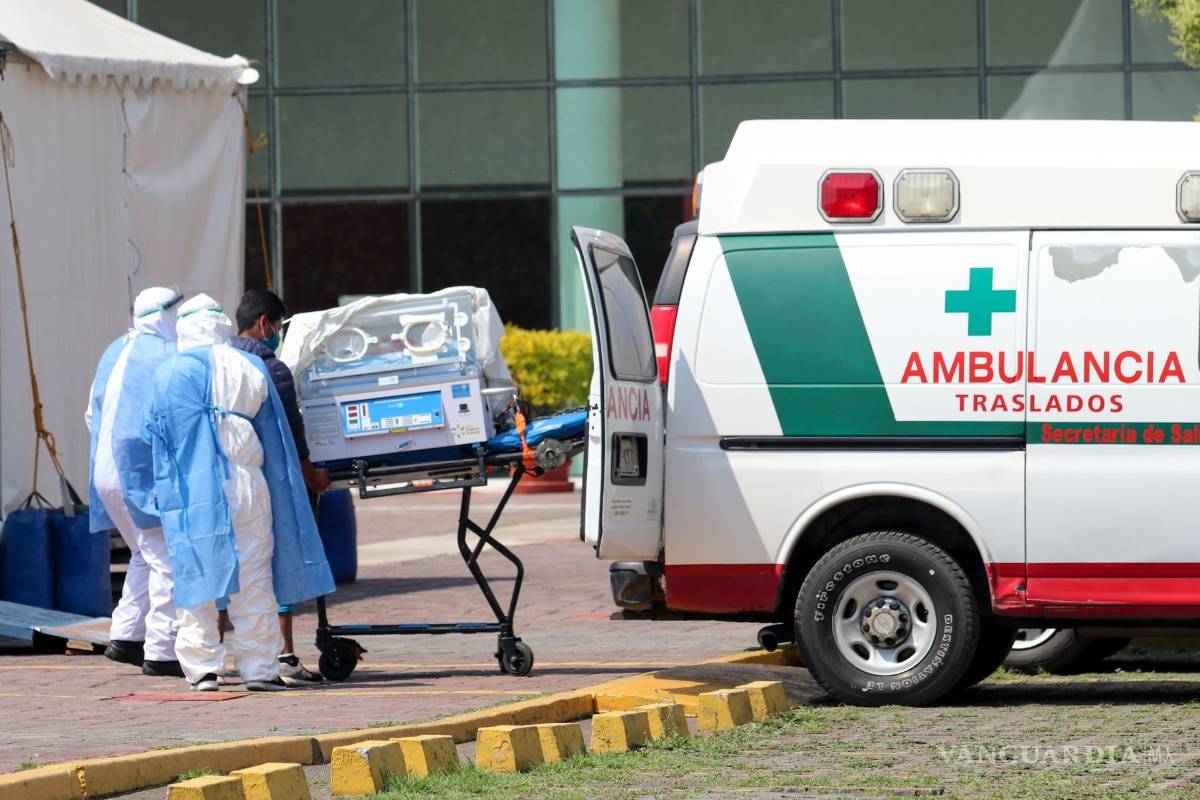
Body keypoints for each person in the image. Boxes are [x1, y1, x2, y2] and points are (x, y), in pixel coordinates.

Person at [142, 294, 335, 692]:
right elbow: (276, 435)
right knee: (255, 575)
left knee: (197, 575)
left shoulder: (168, 373)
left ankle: (202, 670)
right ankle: (260, 667)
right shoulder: (249, 365)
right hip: (249, 482)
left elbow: (155, 436)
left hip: (193, 486)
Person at [231, 289, 330, 686]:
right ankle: (284, 656)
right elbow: (294, 432)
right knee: (277, 563)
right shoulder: (272, 369)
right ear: (263, 324)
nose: (277, 334)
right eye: (278, 326)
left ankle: (214, 660)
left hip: (222, 480)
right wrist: (313, 477)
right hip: (267, 481)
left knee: (234, 570)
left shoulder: (218, 363)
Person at [86, 286, 184, 677]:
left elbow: (90, 415)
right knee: (168, 559)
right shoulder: (164, 355)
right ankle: (162, 651)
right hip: (137, 474)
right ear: (164, 314)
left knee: (144, 551)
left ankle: (126, 635)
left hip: (105, 472)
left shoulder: (114, 350)